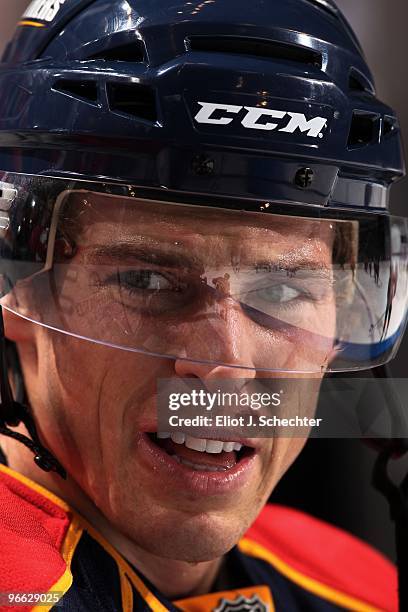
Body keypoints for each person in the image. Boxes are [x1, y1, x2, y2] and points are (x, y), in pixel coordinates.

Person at [0, 0, 407, 610]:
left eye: (283, 291)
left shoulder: (358, 588)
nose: (226, 366)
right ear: (17, 289)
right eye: (146, 281)